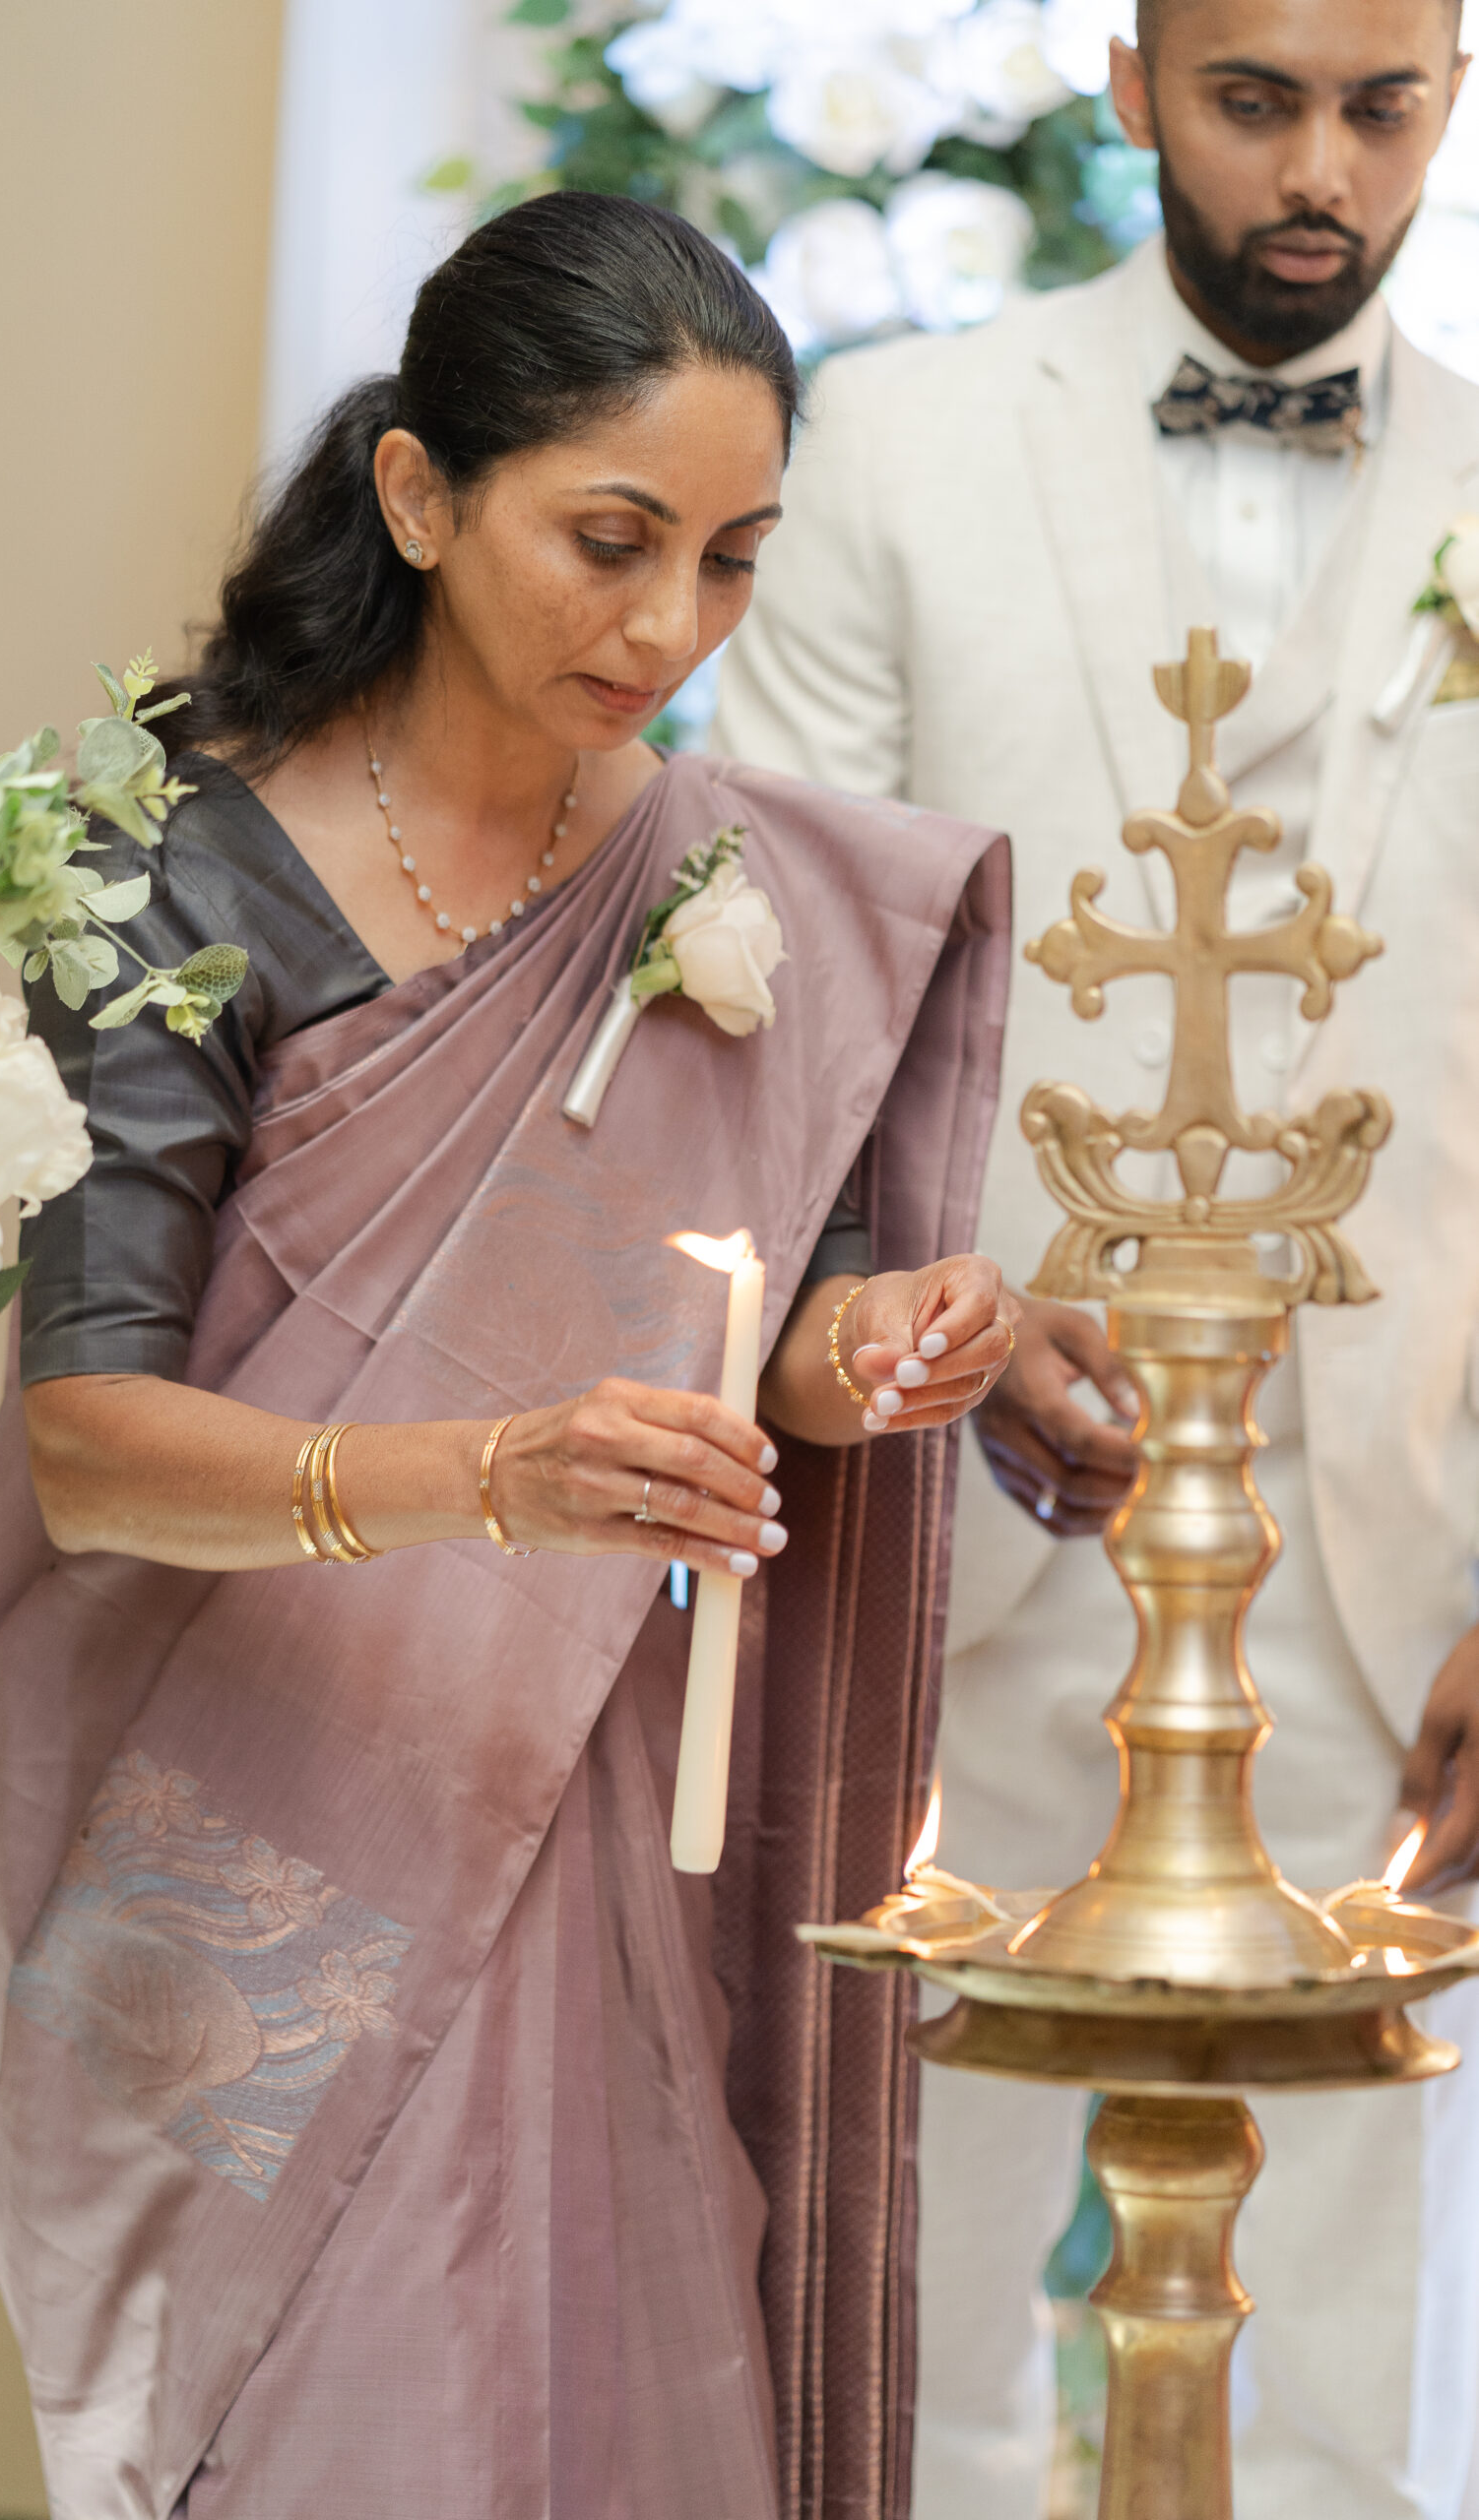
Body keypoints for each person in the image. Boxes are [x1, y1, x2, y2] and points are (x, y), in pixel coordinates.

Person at [0, 194, 1016, 2520]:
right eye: (609, 539)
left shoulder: (719, 883)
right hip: (251, 1838)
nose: (668, 628)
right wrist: (498, 1471)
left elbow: (776, 1333)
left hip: (570, 1805)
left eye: (731, 559)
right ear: (422, 494)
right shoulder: (173, 872)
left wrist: (883, 1340)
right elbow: (95, 1447)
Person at [714, 4, 1479, 2515]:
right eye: (1255, 98)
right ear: (1135, 77)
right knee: (882, 2313)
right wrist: (901, 1341)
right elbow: (779, 991)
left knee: (1337, 2372)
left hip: (1389, 1551)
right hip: (961, 1501)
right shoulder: (903, 447)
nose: (1320, 174)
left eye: (1383, 107)